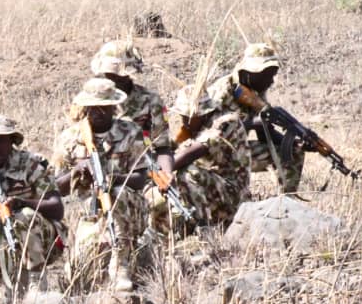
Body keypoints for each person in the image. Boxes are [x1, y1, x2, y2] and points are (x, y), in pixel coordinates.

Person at [52, 78, 149, 292]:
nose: (99, 113)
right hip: (89, 216)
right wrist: (77, 171)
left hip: (127, 210)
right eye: (93, 108)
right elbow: (55, 188)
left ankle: (120, 264)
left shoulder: (130, 132)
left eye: (105, 108)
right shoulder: (70, 138)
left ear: (114, 107)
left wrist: (111, 178)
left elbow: (141, 179)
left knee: (115, 192)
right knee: (77, 277)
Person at [0, 115, 65, 294]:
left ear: (11, 141)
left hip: (43, 239)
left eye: (1, 141)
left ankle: (37, 283)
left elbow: (56, 207)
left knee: (25, 216)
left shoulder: (31, 164)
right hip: (1, 238)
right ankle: (12, 279)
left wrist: (22, 203)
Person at [148, 85, 251, 234]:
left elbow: (187, 155)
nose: (183, 120)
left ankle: (204, 229)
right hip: (212, 194)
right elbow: (172, 150)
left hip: (234, 196)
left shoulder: (225, 122)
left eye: (186, 117)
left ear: (201, 113)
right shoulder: (195, 127)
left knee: (188, 173)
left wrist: (159, 171)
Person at [206, 42, 302, 192]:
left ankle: (286, 202)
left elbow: (265, 135)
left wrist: (293, 142)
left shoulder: (256, 90)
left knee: (293, 151)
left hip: (238, 150)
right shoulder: (221, 92)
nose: (270, 81)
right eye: (266, 76)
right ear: (248, 72)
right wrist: (251, 123)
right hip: (212, 155)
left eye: (272, 75)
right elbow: (209, 137)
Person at [90, 40, 174, 166]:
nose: (114, 79)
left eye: (119, 75)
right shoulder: (90, 100)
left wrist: (167, 175)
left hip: (138, 169)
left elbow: (162, 147)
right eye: (110, 74)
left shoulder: (150, 101)